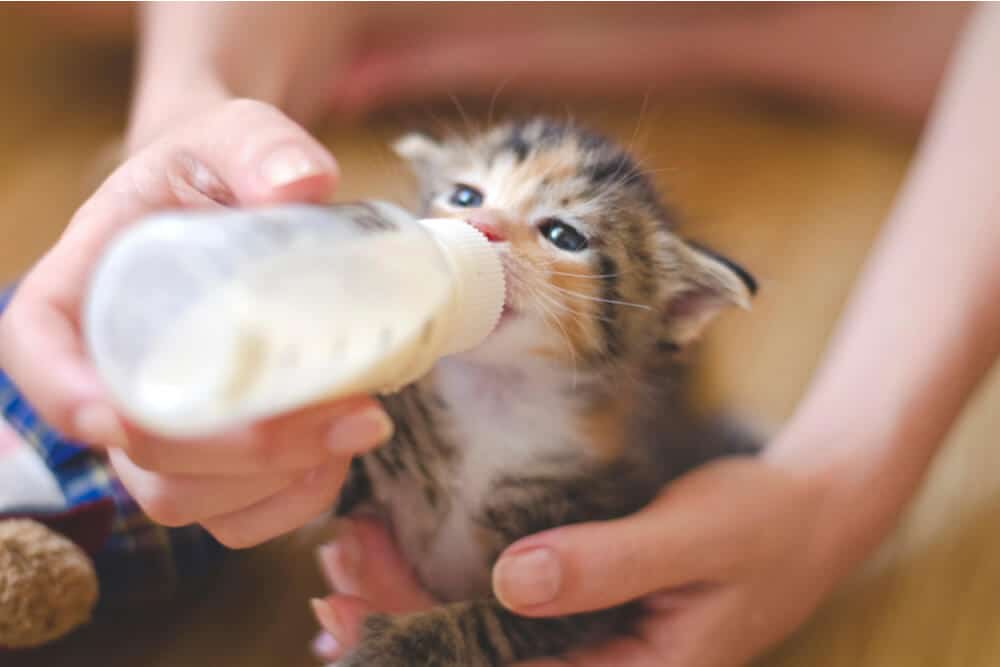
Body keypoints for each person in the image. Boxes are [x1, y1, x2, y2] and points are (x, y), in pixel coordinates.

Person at [1, 4, 997, 666]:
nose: (482, 230)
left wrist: (835, 481)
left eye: (558, 234)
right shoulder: (397, 372)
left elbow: (568, 604)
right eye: (468, 196)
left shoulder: (602, 459)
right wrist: (185, 109)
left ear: (664, 317)